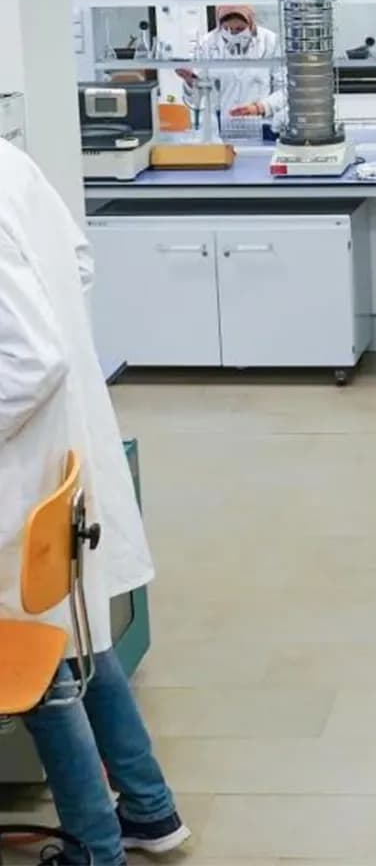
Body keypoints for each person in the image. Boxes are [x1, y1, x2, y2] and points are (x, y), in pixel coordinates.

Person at [0, 138, 189, 865]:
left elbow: (31, 362)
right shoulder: (11, 161)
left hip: (22, 468)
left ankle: (96, 850)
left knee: (41, 665)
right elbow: (76, 263)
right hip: (58, 453)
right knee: (79, 639)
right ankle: (149, 808)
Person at [177, 4, 285, 124]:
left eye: (239, 29)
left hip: (261, 124)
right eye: (227, 28)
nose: (233, 34)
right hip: (220, 126)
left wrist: (260, 108)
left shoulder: (271, 41)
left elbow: (285, 90)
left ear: (251, 23)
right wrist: (190, 82)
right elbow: (196, 99)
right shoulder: (206, 44)